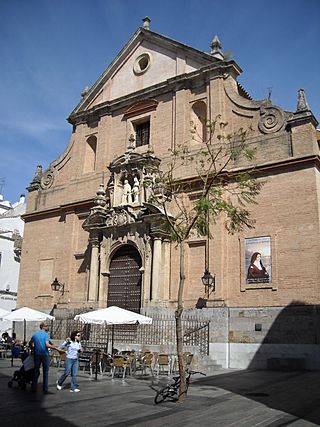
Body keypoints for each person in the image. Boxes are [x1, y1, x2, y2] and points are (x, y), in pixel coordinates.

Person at [30, 322, 62, 393]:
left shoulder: (35, 335)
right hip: (44, 354)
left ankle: (33, 387)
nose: (48, 328)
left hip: (37, 354)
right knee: (45, 372)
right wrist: (56, 348)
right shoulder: (46, 335)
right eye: (47, 326)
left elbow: (31, 343)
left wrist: (33, 348)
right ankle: (45, 389)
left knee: (36, 370)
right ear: (43, 327)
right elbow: (47, 344)